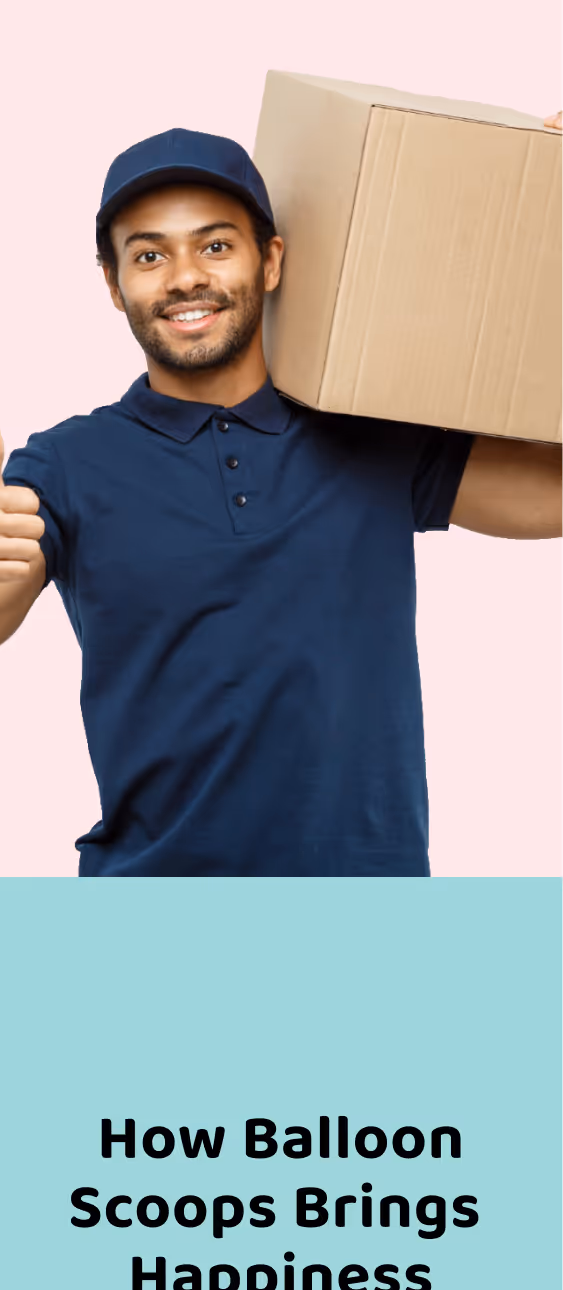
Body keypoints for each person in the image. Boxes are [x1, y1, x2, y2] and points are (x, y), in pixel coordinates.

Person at [1, 123, 561, 879]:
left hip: (370, 912)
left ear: (269, 261)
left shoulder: (374, 434)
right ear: (112, 284)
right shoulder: (65, 463)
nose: (184, 277)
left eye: (215, 245)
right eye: (148, 255)